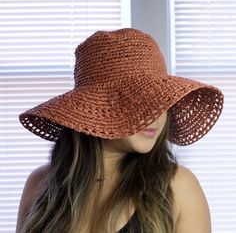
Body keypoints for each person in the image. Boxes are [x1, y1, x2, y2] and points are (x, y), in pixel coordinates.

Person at [16, 28, 224, 233]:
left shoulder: (178, 187)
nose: (155, 115)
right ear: (97, 108)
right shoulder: (40, 184)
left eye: (161, 101)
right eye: (138, 100)